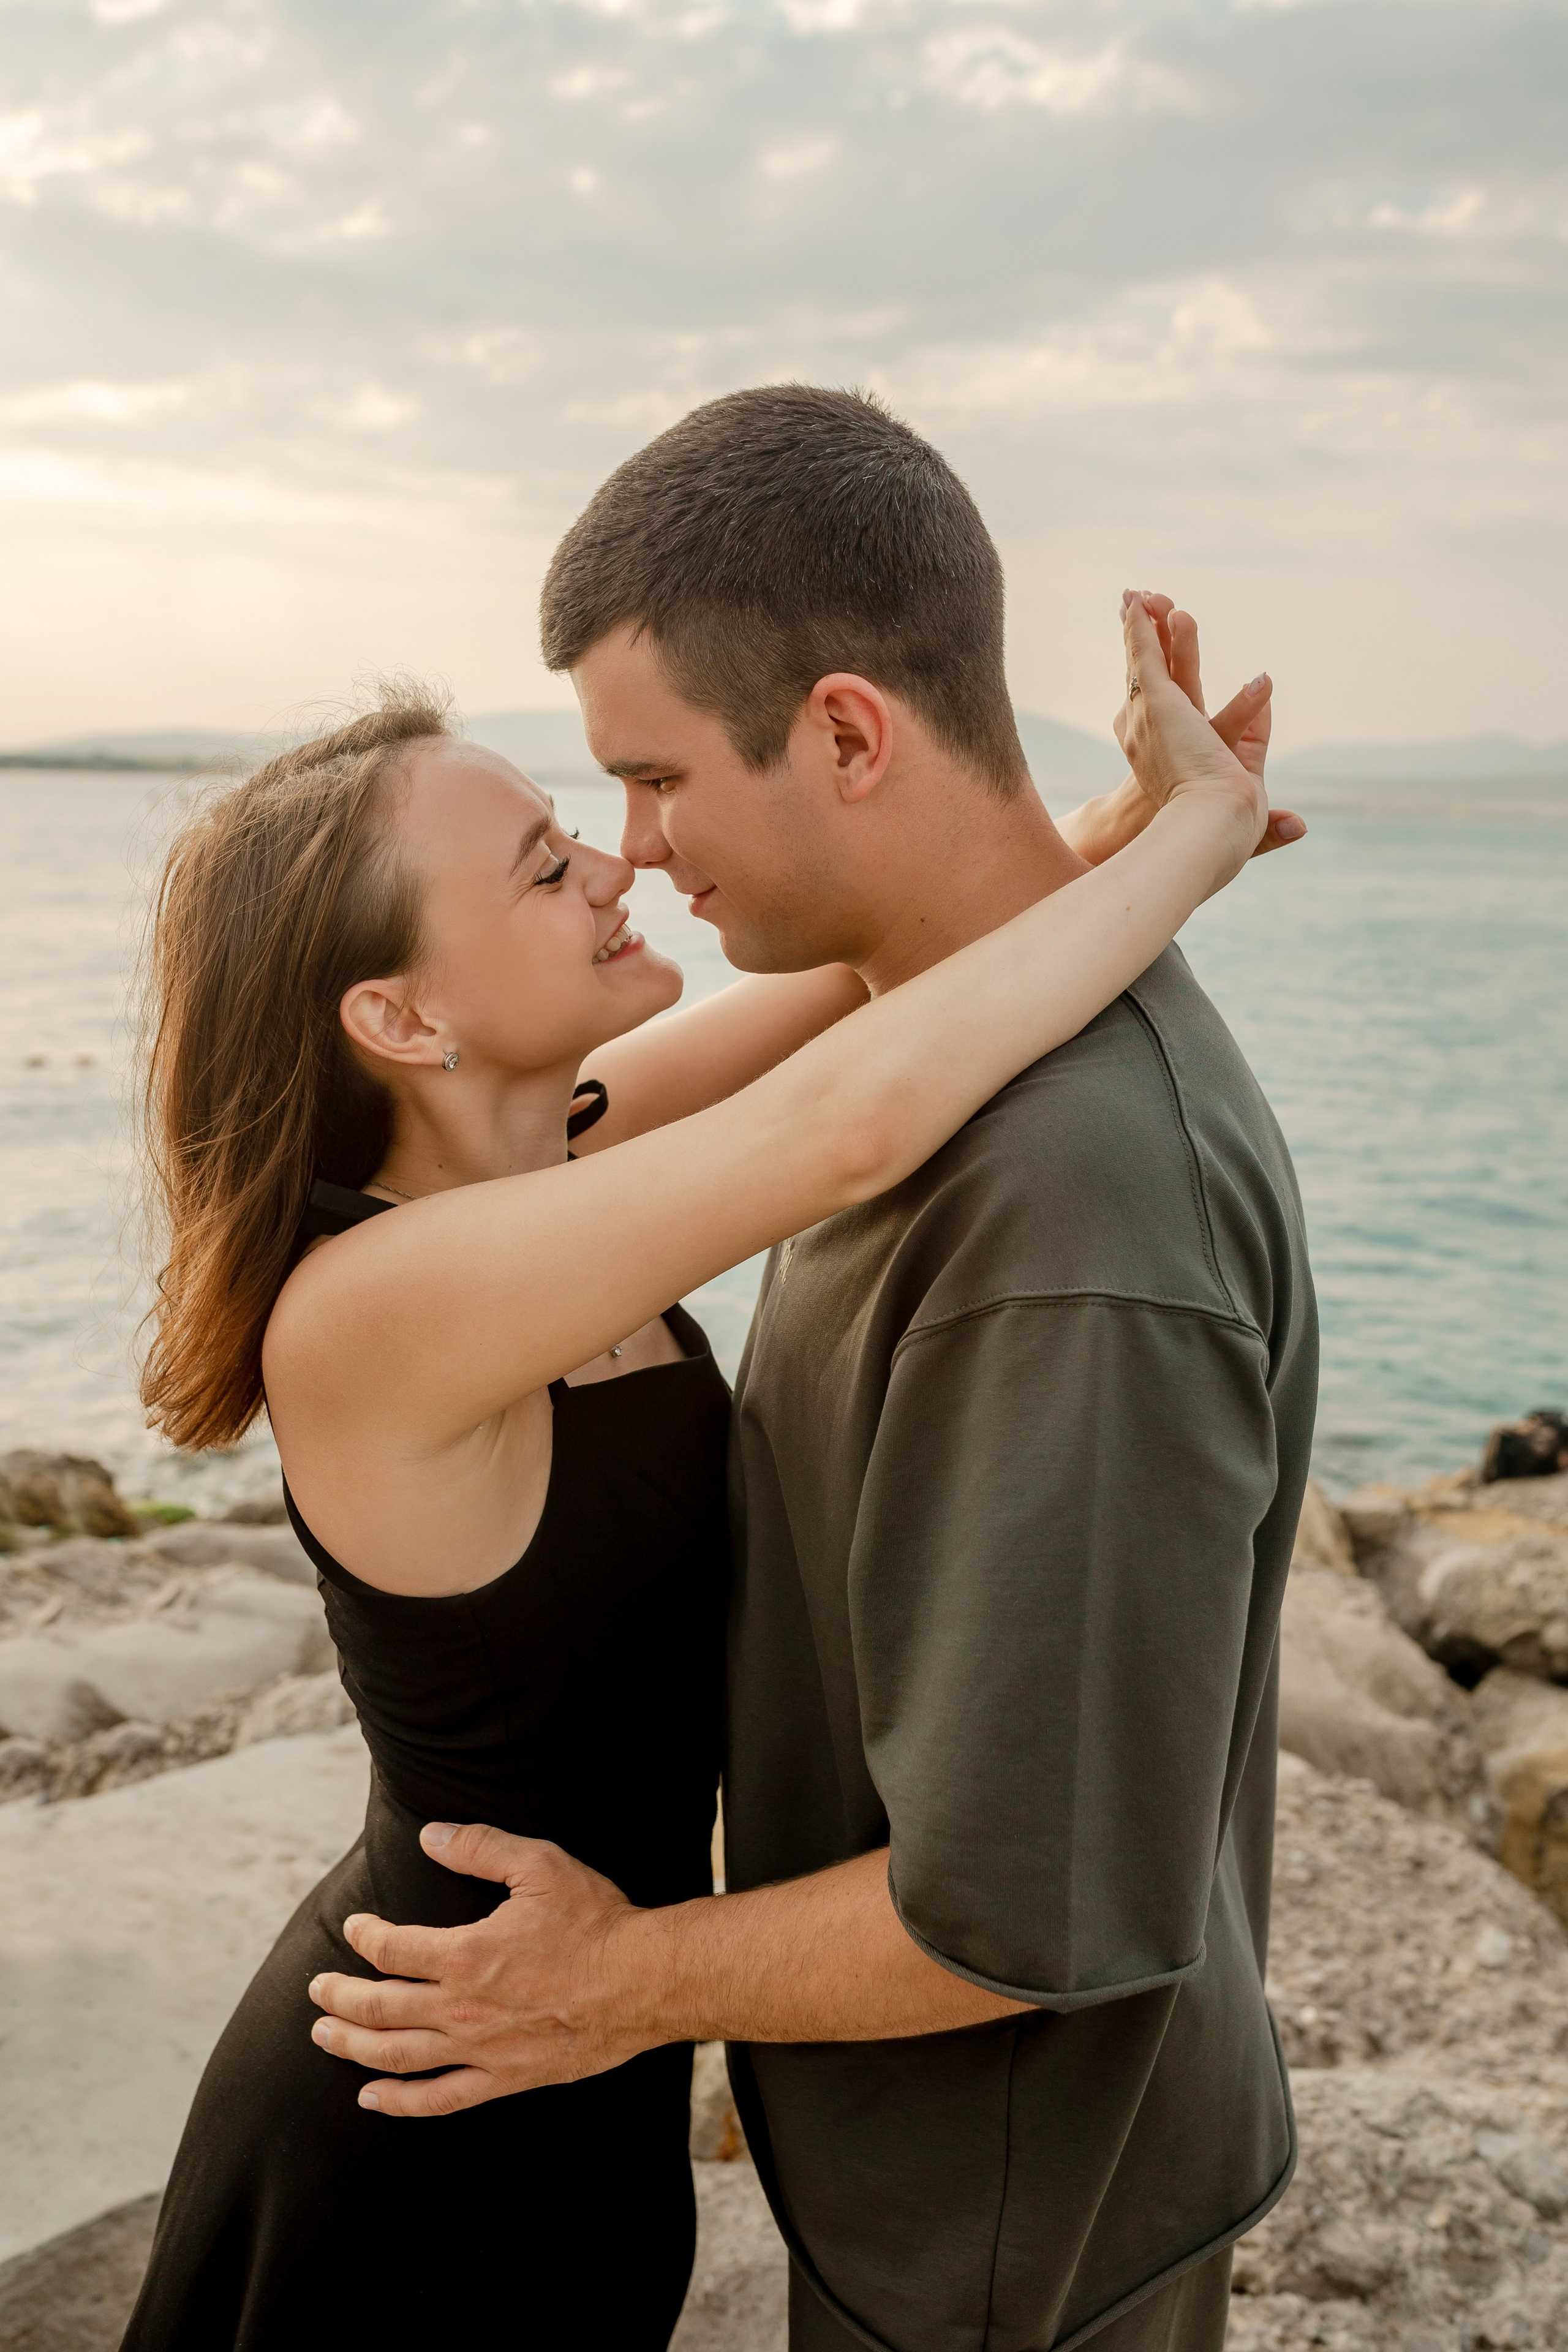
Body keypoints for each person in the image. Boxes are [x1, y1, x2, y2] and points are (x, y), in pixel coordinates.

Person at [119, 501, 1275, 2345]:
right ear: (401, 1017)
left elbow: (881, 986)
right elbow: (850, 1124)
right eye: (542, 865)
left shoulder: (554, 1152)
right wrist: (1205, 837)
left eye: (595, 816)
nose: (617, 864)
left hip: (579, 2038)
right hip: (428, 2102)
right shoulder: (370, 1315)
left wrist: (1123, 823)